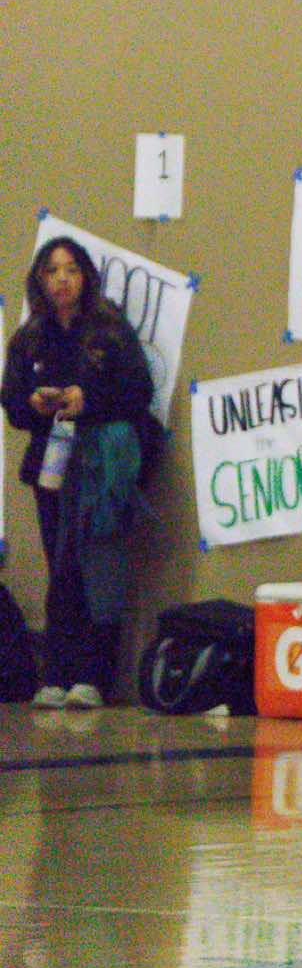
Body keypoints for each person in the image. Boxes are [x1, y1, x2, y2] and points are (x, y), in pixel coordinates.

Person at [1, 237, 155, 711]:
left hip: (100, 465)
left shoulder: (108, 330)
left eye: (70, 269)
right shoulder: (29, 337)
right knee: (61, 566)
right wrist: (32, 403)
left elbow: (138, 390)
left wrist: (88, 400)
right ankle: (58, 672)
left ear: (85, 276)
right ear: (39, 280)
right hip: (51, 463)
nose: (62, 280)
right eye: (52, 271)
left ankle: (94, 675)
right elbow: (12, 401)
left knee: (99, 568)